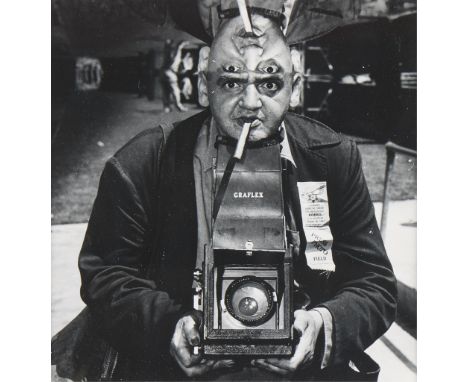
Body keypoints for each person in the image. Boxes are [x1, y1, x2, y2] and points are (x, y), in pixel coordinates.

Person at [52, 2, 396, 381]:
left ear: (295, 89)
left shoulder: (332, 159)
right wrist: (168, 328)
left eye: (269, 82)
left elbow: (374, 283)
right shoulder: (144, 162)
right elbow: (106, 274)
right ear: (203, 86)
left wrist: (322, 324)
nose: (250, 104)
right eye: (231, 81)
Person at [160, 40, 189, 112]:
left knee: (166, 91)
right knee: (175, 91)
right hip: (169, 72)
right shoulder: (176, 65)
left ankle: (166, 106)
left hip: (163, 72)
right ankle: (179, 106)